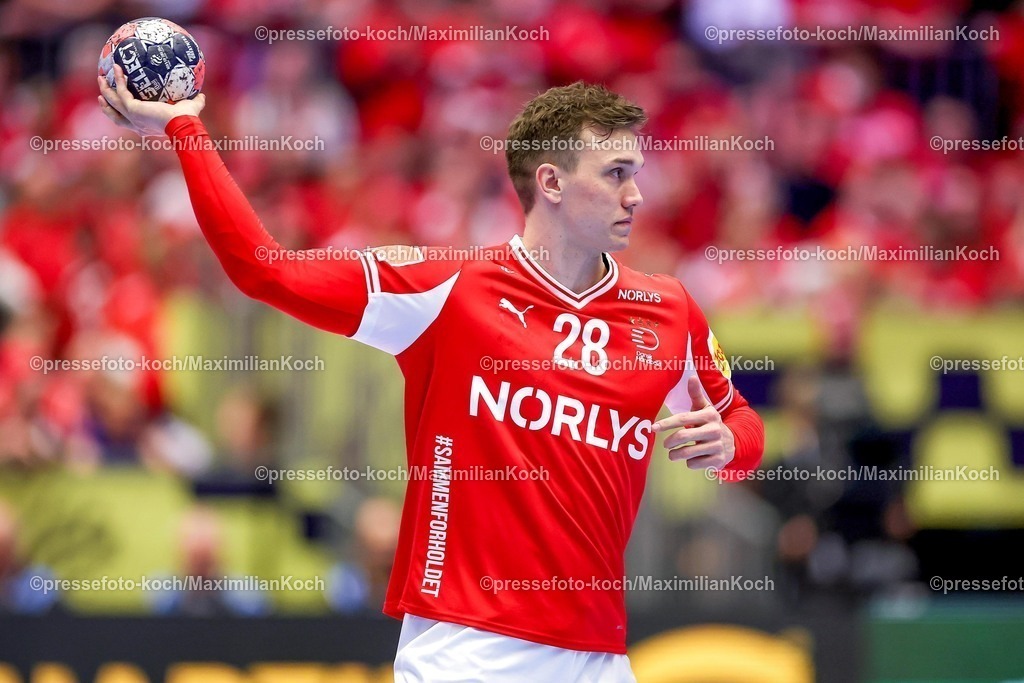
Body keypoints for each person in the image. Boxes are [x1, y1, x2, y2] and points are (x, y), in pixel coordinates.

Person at [98, 68, 764, 682]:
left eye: (636, 172)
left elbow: (742, 428)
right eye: (615, 173)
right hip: (465, 650)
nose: (636, 193)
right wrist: (184, 127)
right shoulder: (450, 290)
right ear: (552, 183)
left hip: (598, 658)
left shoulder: (667, 310)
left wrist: (730, 443)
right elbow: (263, 269)